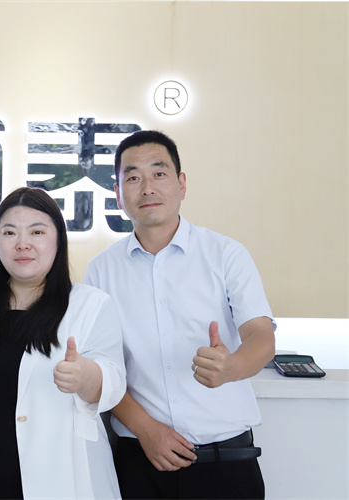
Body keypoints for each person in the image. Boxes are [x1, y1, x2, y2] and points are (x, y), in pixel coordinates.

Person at [84, 130, 276, 499]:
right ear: (118, 193)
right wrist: (145, 429)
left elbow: (261, 336)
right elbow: (102, 368)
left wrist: (232, 366)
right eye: (133, 178)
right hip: (141, 461)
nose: (147, 188)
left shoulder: (226, 254)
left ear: (181, 183)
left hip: (226, 462)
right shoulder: (101, 270)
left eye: (159, 173)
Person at [0, 187, 126, 499]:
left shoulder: (91, 304)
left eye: (37, 232)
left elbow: (113, 382)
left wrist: (85, 375)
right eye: (9, 232)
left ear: (58, 241)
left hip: (61, 481)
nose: (22, 243)